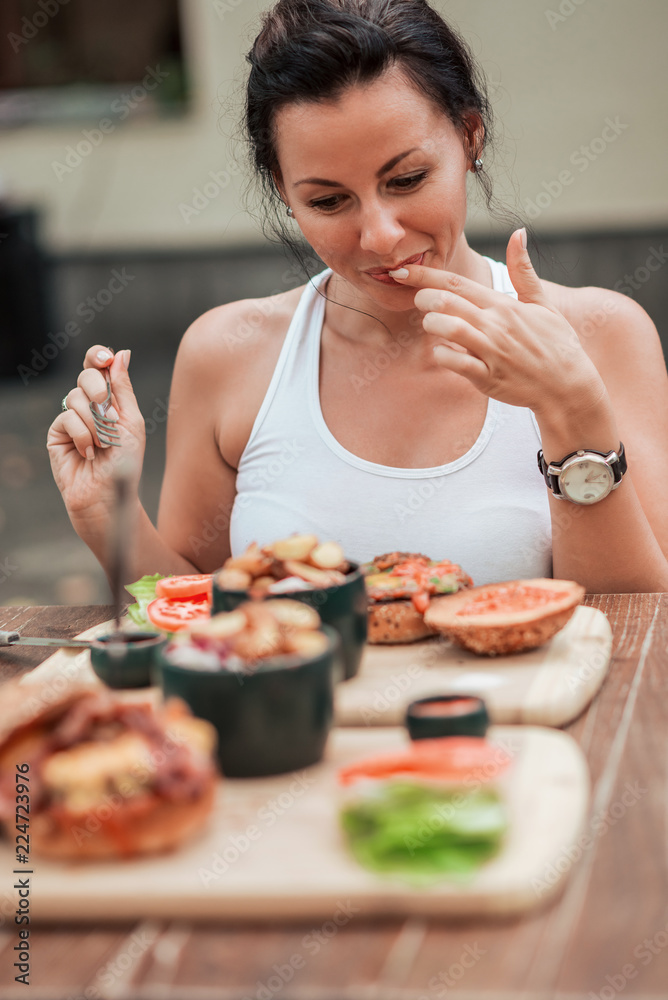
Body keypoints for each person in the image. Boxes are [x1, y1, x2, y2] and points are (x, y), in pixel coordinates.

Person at [47, 0, 668, 593]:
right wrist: (110, 516)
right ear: (282, 191)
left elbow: (646, 634)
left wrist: (572, 409)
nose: (380, 235)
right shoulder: (227, 354)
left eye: (407, 179)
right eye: (328, 200)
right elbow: (193, 614)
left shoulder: (600, 335)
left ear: (471, 137)